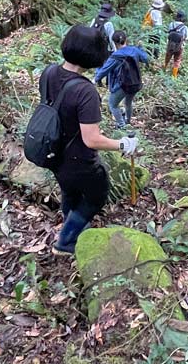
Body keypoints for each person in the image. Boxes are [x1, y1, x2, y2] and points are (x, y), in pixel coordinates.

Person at [40, 25, 138, 254]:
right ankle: (66, 240)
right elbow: (92, 139)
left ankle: (73, 224)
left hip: (54, 151)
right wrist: (123, 144)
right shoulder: (85, 91)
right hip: (79, 158)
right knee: (97, 193)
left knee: (69, 191)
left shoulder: (49, 72)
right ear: (94, 56)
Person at [95, 30, 150, 129]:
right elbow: (146, 59)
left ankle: (122, 125)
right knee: (128, 102)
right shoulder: (134, 50)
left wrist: (96, 79)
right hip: (136, 83)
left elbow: (104, 70)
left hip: (123, 85)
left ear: (114, 43)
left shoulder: (116, 56)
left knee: (112, 104)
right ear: (126, 40)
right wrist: (140, 48)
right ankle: (128, 121)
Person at [164, 11, 188, 77]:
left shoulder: (171, 24)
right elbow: (186, 38)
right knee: (177, 60)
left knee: (167, 57)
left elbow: (168, 34)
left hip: (170, 45)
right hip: (179, 46)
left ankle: (164, 69)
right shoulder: (185, 27)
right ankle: (174, 75)